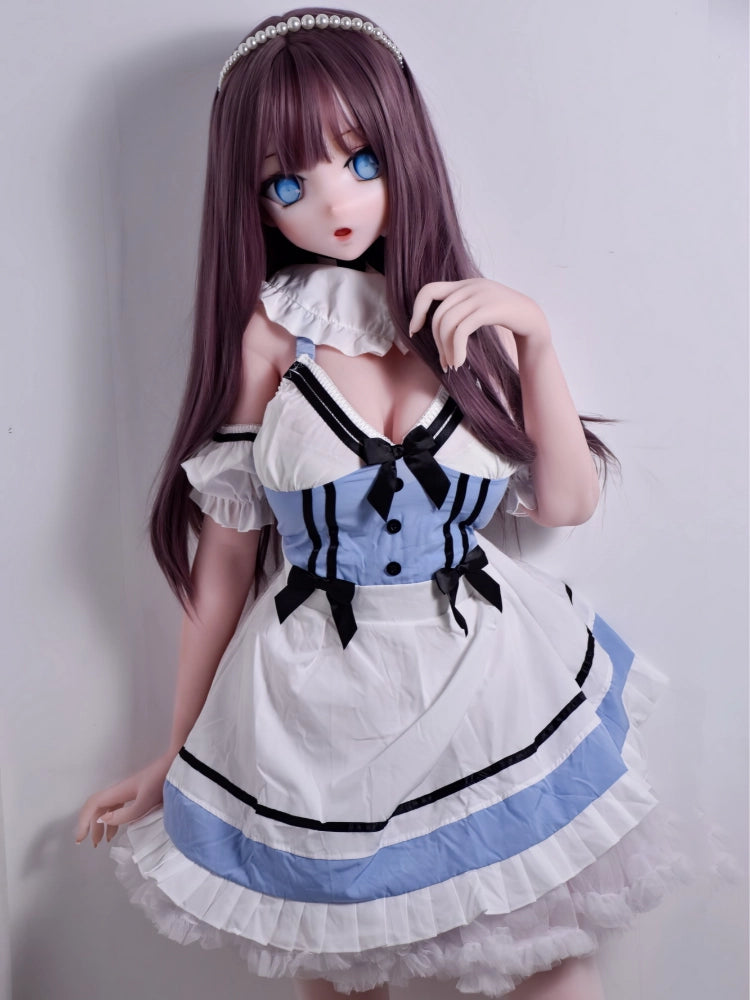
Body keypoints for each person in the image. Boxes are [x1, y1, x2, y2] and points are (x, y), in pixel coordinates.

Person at [76, 9, 683, 998]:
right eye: (286, 182)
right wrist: (178, 754)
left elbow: (565, 504)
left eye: (362, 161)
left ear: (407, 149)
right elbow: (225, 559)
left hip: (488, 684)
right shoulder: (273, 338)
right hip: (319, 709)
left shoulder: (464, 315)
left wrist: (533, 337)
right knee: (345, 978)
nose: (335, 202)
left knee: (557, 970)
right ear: (252, 201)